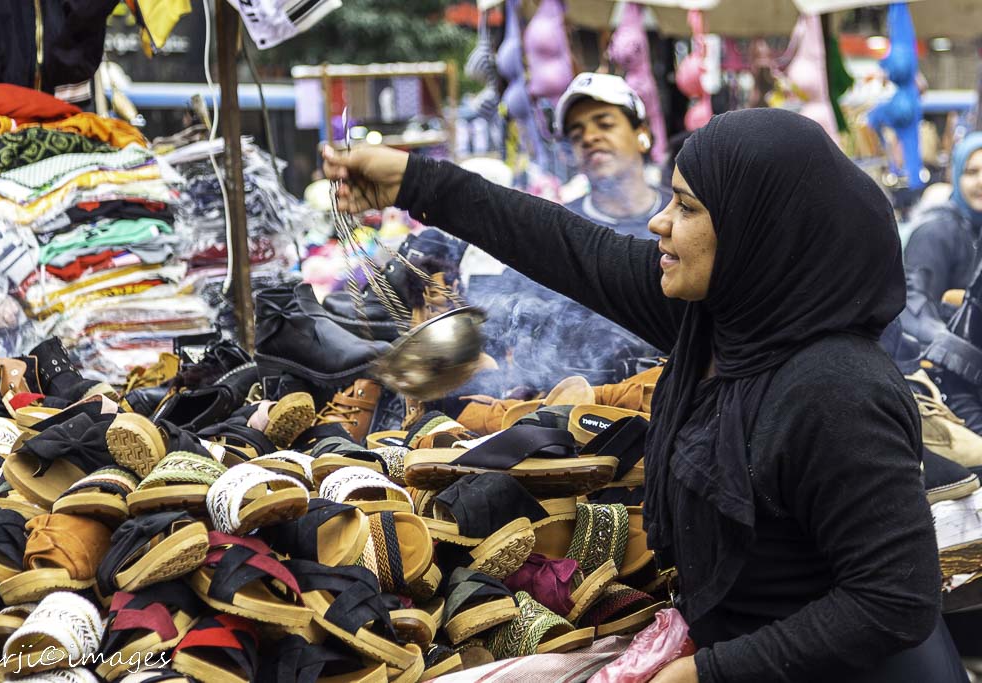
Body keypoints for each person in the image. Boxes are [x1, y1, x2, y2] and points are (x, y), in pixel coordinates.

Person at [324, 108, 965, 682]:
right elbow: (567, 246)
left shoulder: (836, 391)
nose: (659, 221)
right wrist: (414, 182)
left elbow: (894, 602)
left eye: (686, 208)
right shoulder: (718, 321)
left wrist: (706, 673)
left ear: (756, 231)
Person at [555, 72, 671, 238]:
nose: (588, 138)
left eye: (605, 124)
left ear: (642, 135)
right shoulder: (561, 229)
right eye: (576, 135)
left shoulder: (685, 217)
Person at [901, 133, 982, 344]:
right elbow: (915, 311)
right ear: (954, 176)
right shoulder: (935, 232)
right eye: (971, 172)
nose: (981, 181)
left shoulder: (975, 227)